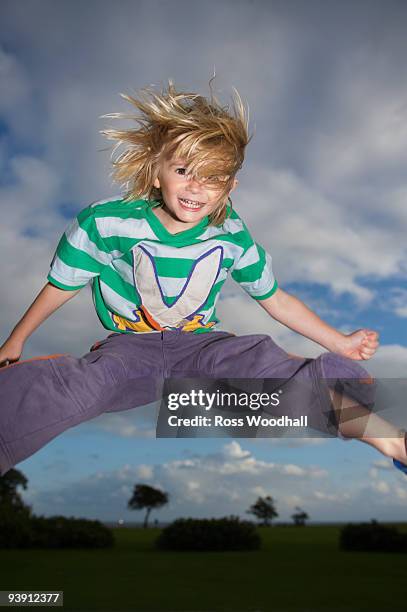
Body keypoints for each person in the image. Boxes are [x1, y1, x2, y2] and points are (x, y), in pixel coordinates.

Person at [0, 79, 406, 477]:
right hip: (131, 347)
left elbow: (275, 299)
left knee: (270, 373)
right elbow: (62, 284)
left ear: (230, 186)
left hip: (201, 343)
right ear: (156, 172)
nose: (197, 186)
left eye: (213, 177)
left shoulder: (230, 233)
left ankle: (394, 443)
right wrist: (16, 340)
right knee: (82, 388)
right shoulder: (106, 222)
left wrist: (340, 342)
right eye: (184, 170)